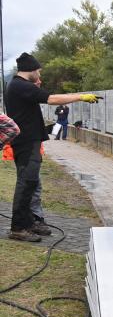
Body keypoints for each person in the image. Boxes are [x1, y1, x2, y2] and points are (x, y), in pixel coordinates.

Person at [4, 52, 99, 242]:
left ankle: (29, 222)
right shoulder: (20, 85)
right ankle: (18, 228)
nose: (39, 74)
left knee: (31, 183)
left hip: (29, 141)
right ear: (30, 70)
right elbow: (52, 99)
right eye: (38, 71)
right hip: (26, 142)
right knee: (26, 183)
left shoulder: (21, 86)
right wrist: (80, 96)